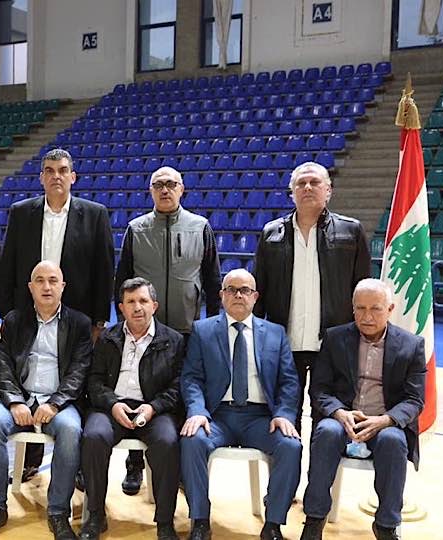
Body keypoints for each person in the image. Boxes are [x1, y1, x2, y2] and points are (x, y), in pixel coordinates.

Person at [0, 147, 113, 478]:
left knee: (78, 385)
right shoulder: (22, 212)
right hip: (28, 314)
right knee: (30, 379)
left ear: (72, 177)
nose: (56, 176)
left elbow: (104, 270)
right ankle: (31, 457)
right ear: (41, 178)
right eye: (49, 171)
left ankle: (76, 464)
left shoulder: (94, 214)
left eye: (62, 170)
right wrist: (7, 315)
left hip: (78, 317)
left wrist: (99, 320)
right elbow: (8, 266)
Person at [113, 166, 221, 494]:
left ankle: (183, 469)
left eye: (171, 184)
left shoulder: (200, 227)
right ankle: (134, 464)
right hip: (144, 330)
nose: (165, 189)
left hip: (186, 330)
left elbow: (212, 280)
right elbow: (122, 280)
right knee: (139, 394)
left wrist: (212, 326)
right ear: (150, 191)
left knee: (183, 399)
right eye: (158, 184)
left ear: (182, 188)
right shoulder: (136, 228)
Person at [0, 261, 92, 540]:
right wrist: (15, 401)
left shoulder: (79, 324)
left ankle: (58, 511)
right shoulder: (14, 320)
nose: (46, 286)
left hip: (59, 402)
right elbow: (2, 365)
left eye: (53, 280)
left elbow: (79, 370)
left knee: (71, 430)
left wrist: (55, 403)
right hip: (21, 397)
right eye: (40, 280)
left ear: (63, 286)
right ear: (30, 287)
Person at [179, 269, 302, 540]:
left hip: (260, 419)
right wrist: (197, 411)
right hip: (217, 416)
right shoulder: (202, 331)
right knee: (192, 440)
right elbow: (191, 378)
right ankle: (200, 521)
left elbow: (289, 382)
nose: (238, 295)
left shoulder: (276, 333)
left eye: (245, 290)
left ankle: (273, 524)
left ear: (255, 297)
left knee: (291, 446)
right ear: (221, 295)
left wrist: (283, 414)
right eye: (231, 289)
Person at [300, 279, 426, 540]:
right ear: (352, 308)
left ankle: (386, 525)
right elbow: (319, 389)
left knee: (394, 440)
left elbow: (414, 400)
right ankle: (314, 519)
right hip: (342, 418)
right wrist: (339, 412)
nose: (367, 316)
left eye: (375, 309)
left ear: (390, 309)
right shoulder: (334, 338)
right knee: (326, 432)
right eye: (360, 308)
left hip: (383, 422)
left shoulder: (412, 345)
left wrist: (386, 420)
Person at [253, 161, 370, 435]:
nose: (307, 187)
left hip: (332, 344)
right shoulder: (271, 233)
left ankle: (320, 466)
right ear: (291, 192)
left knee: (327, 422)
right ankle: (287, 465)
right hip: (283, 343)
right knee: (284, 419)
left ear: (328, 190)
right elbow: (259, 292)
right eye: (301, 183)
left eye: (314, 182)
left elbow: (362, 288)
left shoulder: (351, 231)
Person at [80, 277, 185, 540]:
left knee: (167, 441)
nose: (137, 307)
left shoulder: (173, 340)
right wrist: (113, 404)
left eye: (143, 301)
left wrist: (153, 407)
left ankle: (164, 522)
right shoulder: (107, 338)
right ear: (121, 308)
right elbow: (94, 381)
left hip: (154, 410)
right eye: (130, 302)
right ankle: (95, 515)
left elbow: (177, 386)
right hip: (111, 407)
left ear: (154, 305)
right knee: (93, 437)